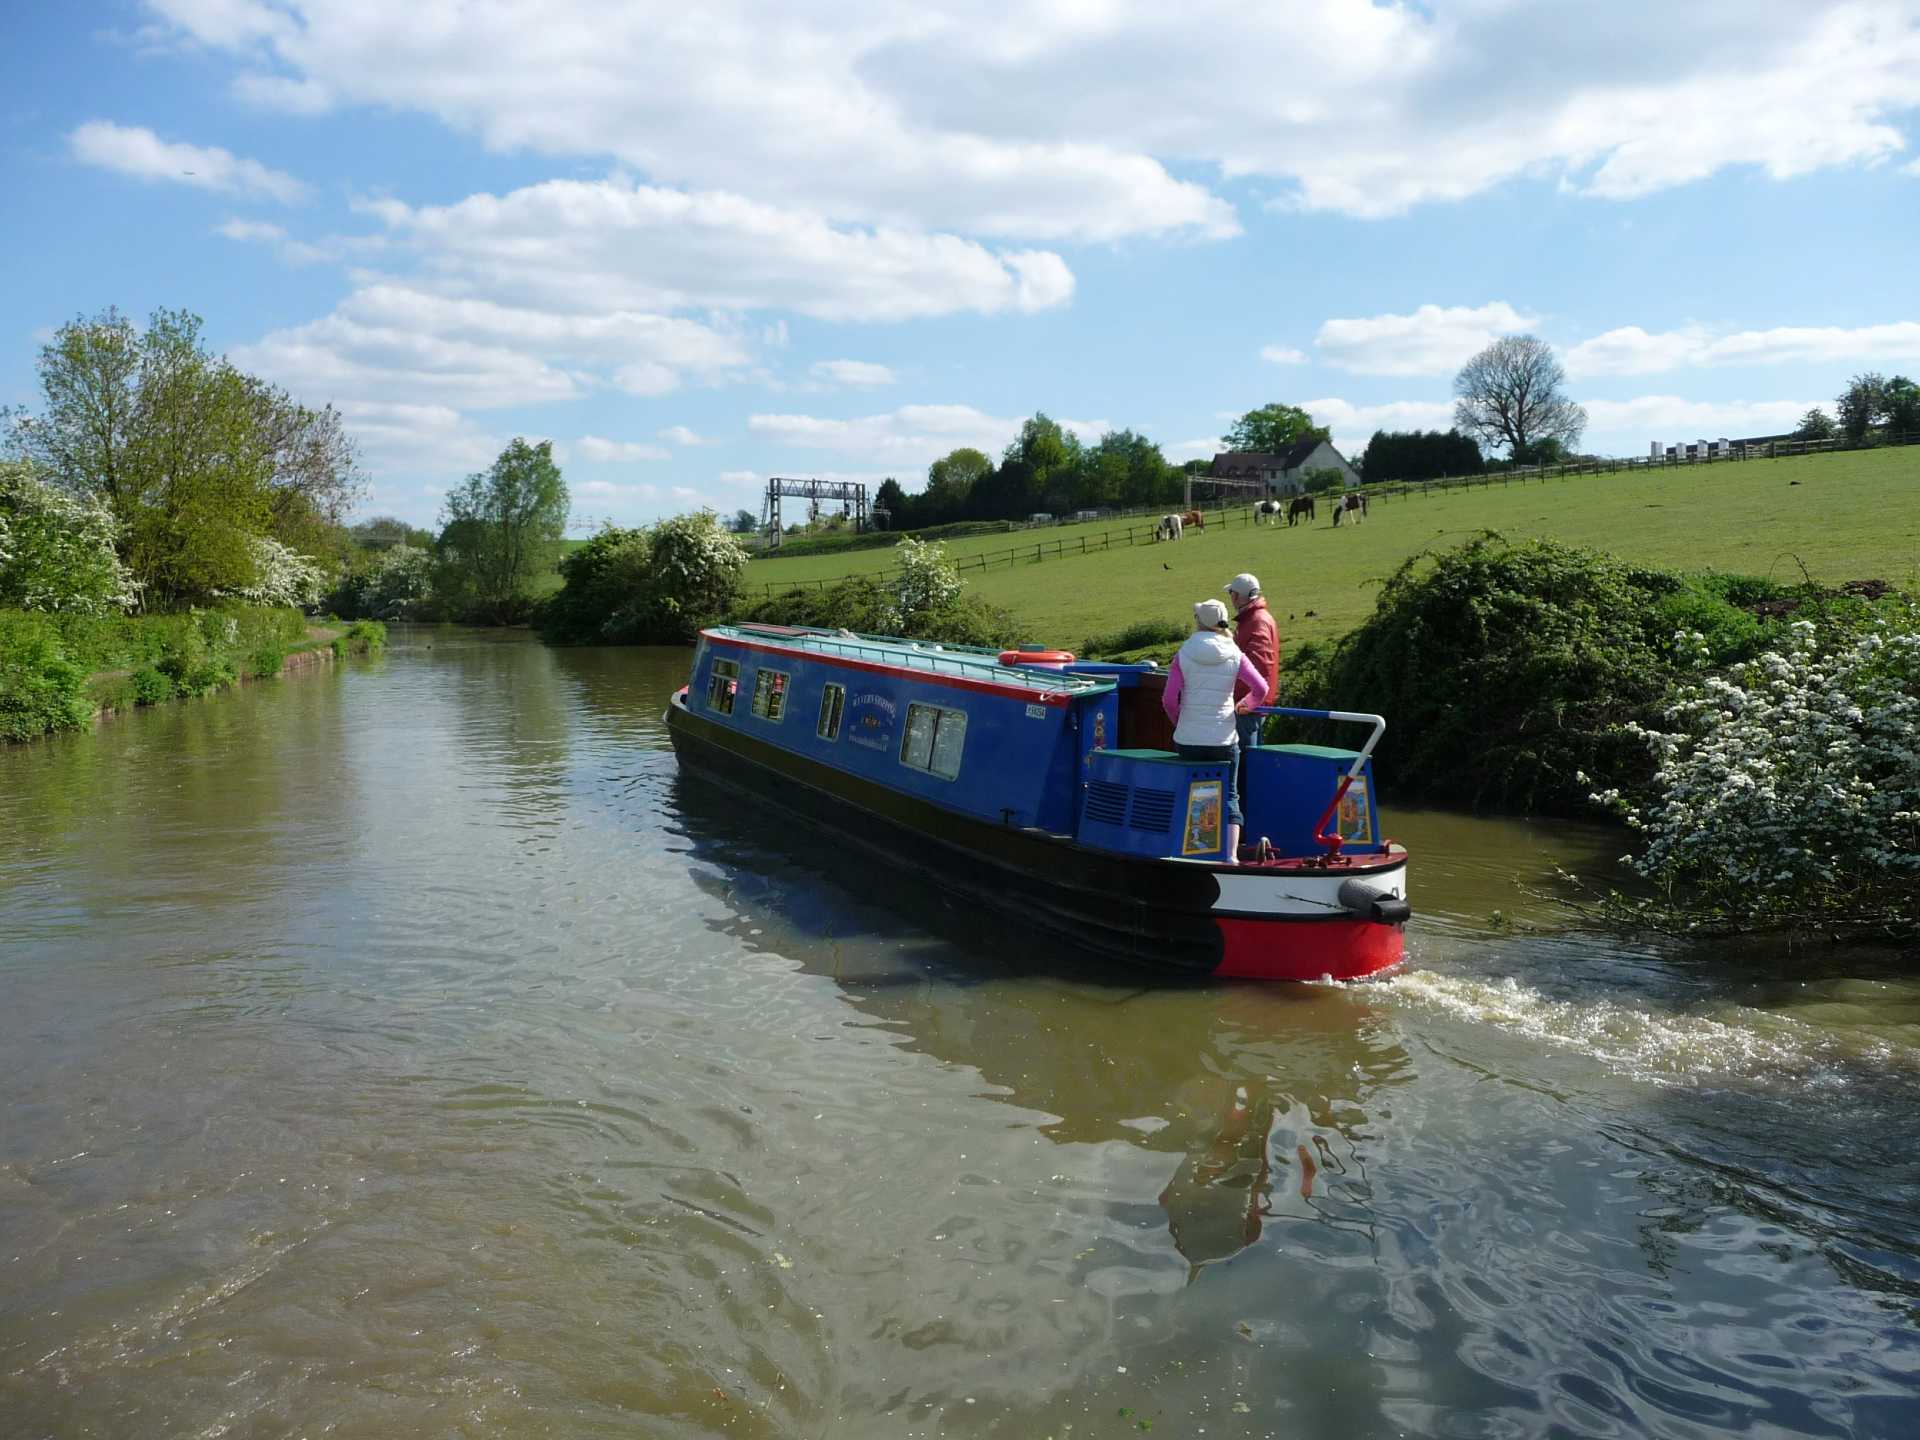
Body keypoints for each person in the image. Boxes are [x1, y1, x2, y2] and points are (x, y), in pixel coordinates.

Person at [1161, 598, 1270, 862]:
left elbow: (1167, 699)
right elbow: (1261, 689)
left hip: (1188, 738)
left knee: (1188, 790)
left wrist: (1180, 722)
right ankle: (1230, 856)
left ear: (1199, 622)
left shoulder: (1184, 653)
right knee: (1230, 795)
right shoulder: (1235, 653)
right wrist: (1245, 705)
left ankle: (1185, 850)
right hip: (1224, 737)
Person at [1224, 574, 1279, 774]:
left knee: (1244, 766)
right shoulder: (1257, 619)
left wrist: (1243, 703)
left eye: (1231, 593)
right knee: (1249, 762)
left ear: (1237, 596)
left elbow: (1259, 668)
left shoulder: (1255, 622)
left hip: (1247, 706)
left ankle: (1242, 804)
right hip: (1254, 704)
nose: (1230, 598)